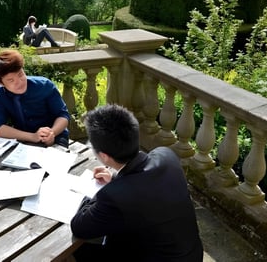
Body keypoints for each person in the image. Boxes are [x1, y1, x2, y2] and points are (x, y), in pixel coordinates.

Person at [70, 104, 204, 261]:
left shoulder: (114, 196)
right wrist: (115, 178)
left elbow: (79, 227)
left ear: (104, 156)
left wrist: (100, 191)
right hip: (191, 255)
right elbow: (144, 187)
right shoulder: (166, 156)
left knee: (81, 250)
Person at [0, 49, 70, 148]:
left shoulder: (45, 86)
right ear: (1, 83)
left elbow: (63, 115)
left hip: (55, 135)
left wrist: (51, 133)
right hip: (22, 138)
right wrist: (33, 137)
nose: (19, 82)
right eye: (11, 80)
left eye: (20, 74)